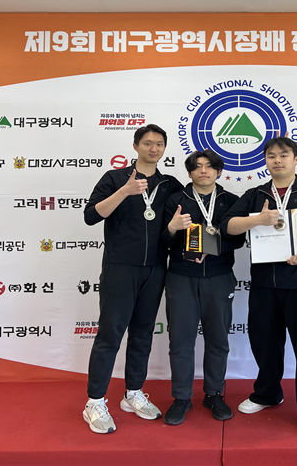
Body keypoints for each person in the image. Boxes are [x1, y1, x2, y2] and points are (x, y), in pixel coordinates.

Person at [220, 137, 297, 441]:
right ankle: (267, 393)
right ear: (265, 160)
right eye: (271, 156)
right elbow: (227, 225)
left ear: (296, 159)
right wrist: (257, 219)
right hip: (265, 282)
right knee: (264, 342)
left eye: (284, 155)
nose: (277, 160)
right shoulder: (256, 195)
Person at [82, 124, 183, 434]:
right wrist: (124, 191)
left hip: (155, 267)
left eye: (159, 144)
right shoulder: (114, 178)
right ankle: (94, 402)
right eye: (148, 143)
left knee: (142, 333)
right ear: (136, 145)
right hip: (120, 267)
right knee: (110, 334)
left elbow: (177, 224)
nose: (154, 148)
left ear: (164, 148)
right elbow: (91, 216)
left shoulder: (169, 184)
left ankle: (133, 393)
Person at [161, 150, 245, 425]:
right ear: (189, 173)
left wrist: (213, 248)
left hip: (219, 277)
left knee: (218, 339)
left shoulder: (231, 201)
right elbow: (164, 241)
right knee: (180, 341)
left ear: (219, 172)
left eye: (209, 166)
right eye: (197, 167)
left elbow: (239, 239)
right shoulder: (175, 200)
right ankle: (181, 397)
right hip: (181, 277)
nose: (203, 171)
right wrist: (172, 228)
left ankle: (214, 394)